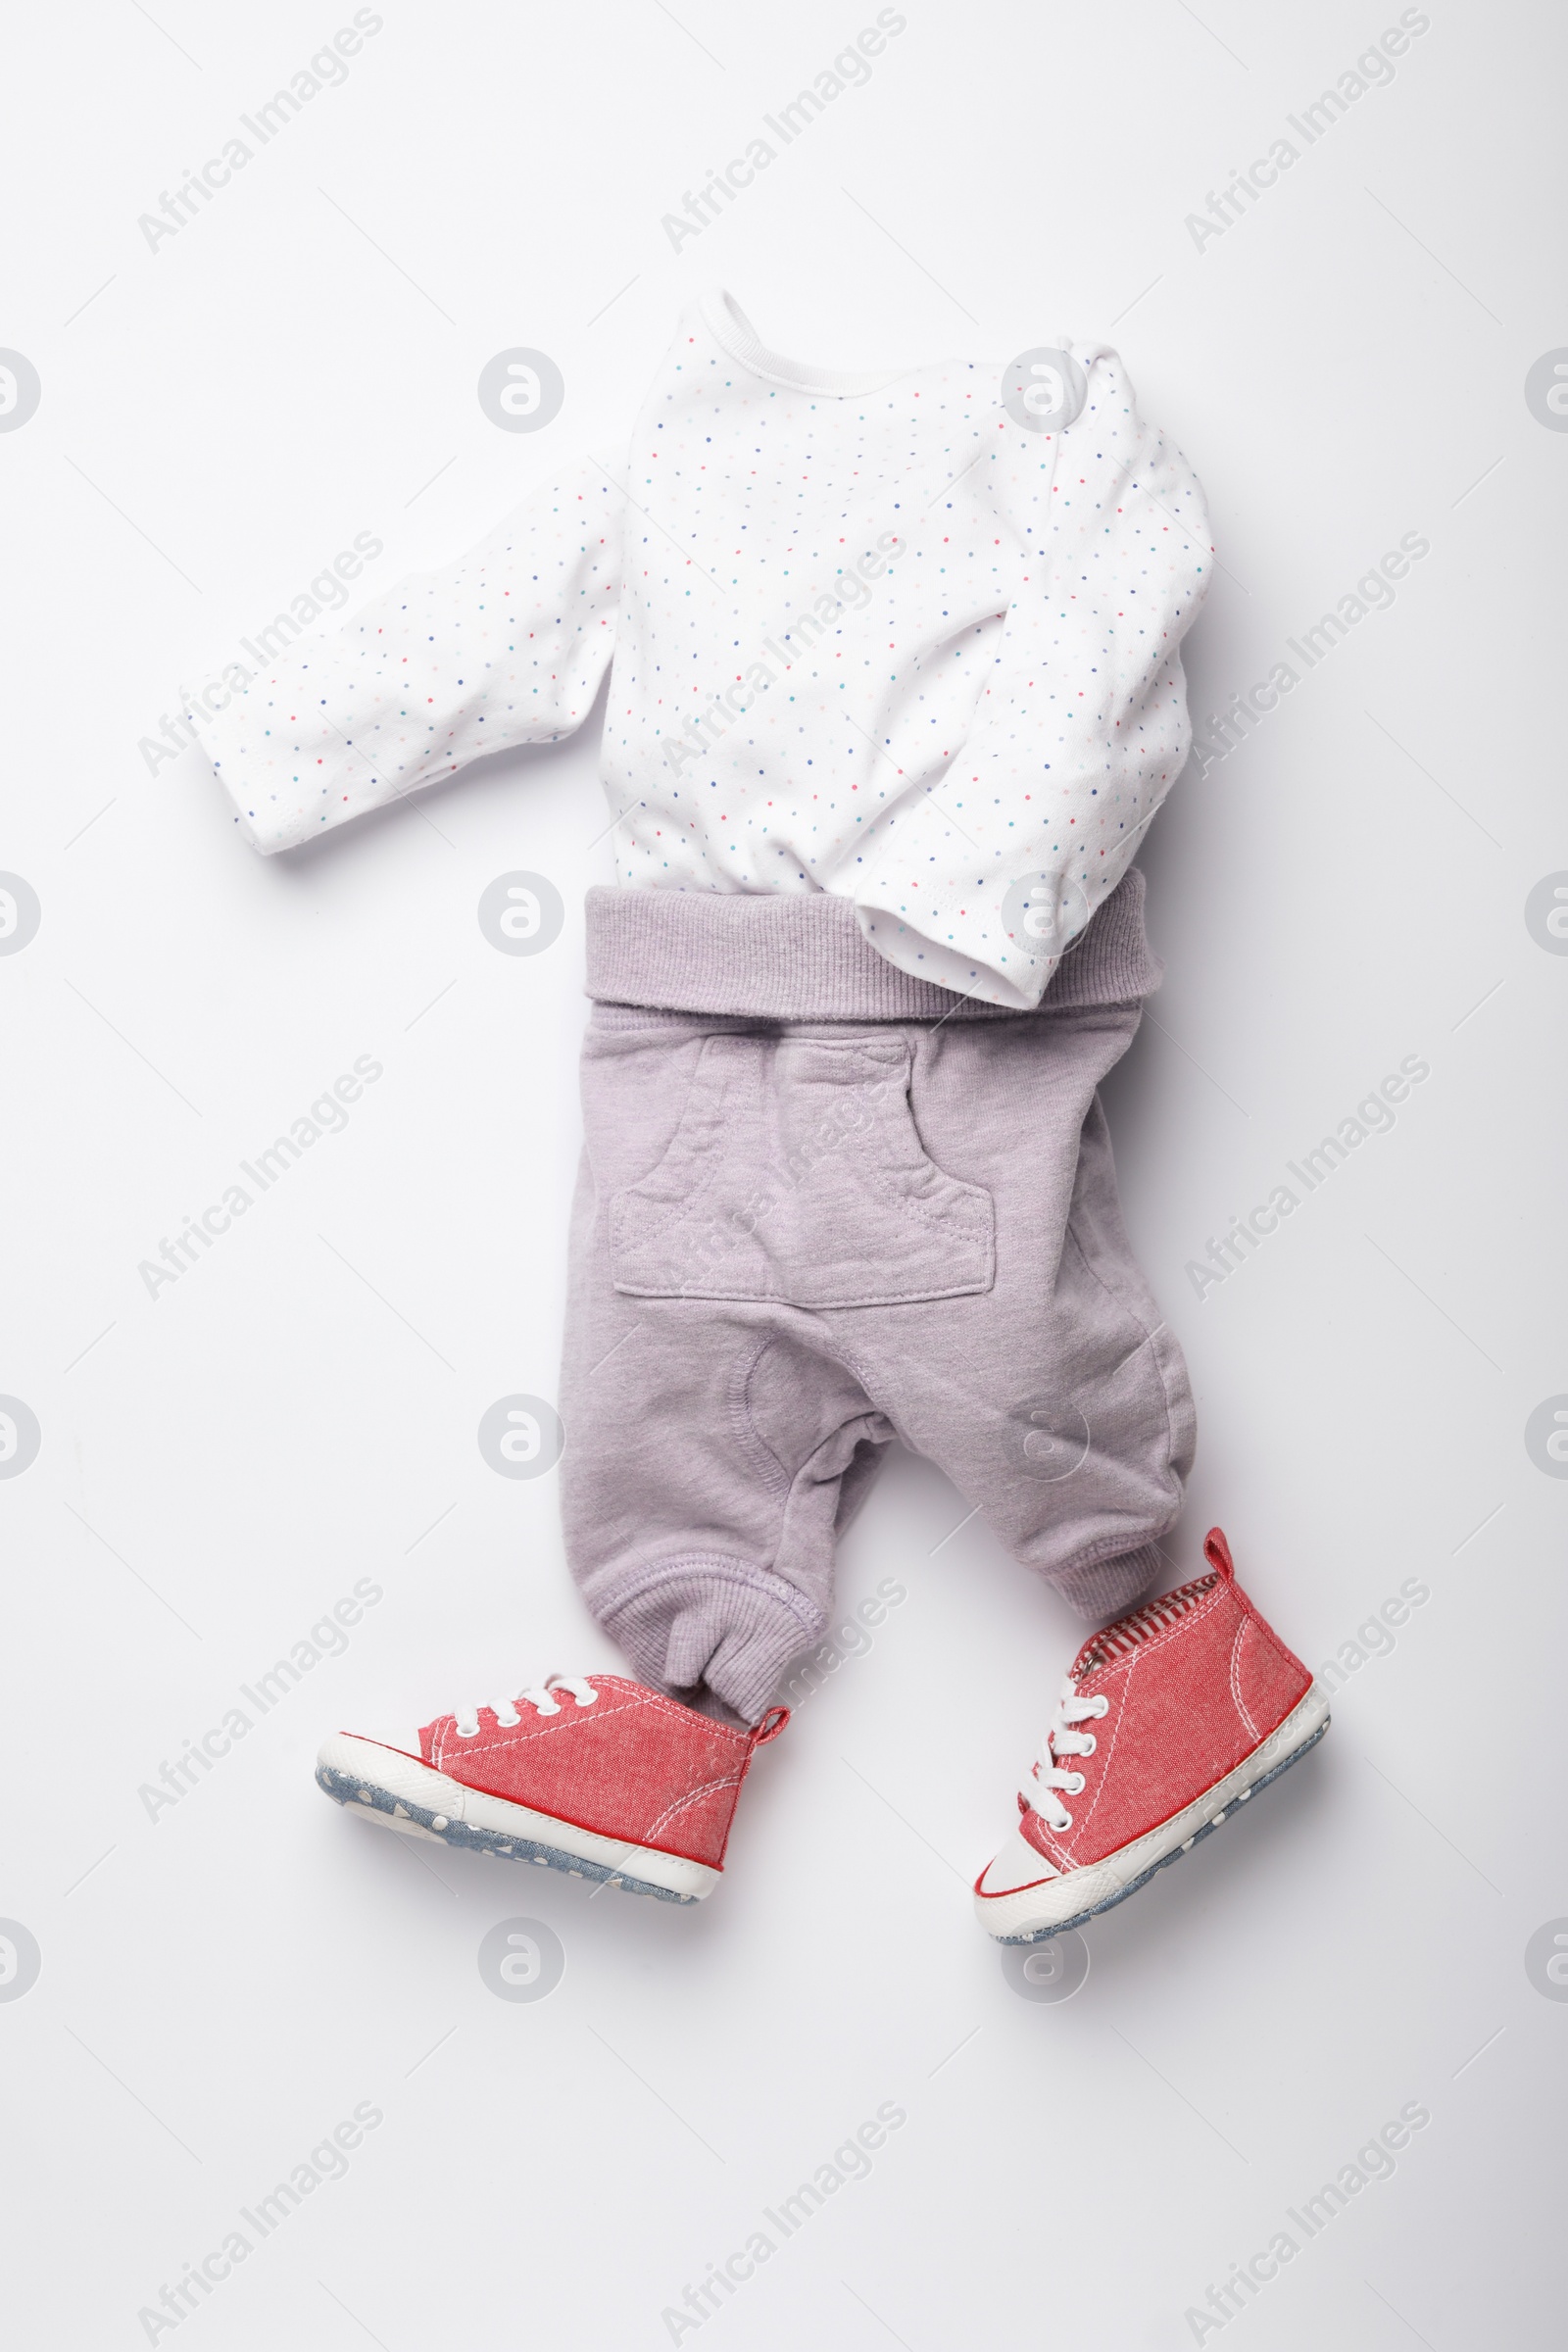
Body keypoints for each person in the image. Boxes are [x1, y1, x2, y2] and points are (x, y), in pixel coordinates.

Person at [188, 292, 1327, 1942]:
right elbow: (486, 621)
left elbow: (1106, 637)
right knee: (665, 1362)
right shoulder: (679, 447)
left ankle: (1181, 1659)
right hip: (679, 1021)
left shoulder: (1058, 423)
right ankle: (678, 1732)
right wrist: (282, 741)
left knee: (1005, 1341)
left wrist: (980, 906)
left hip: (944, 1024)